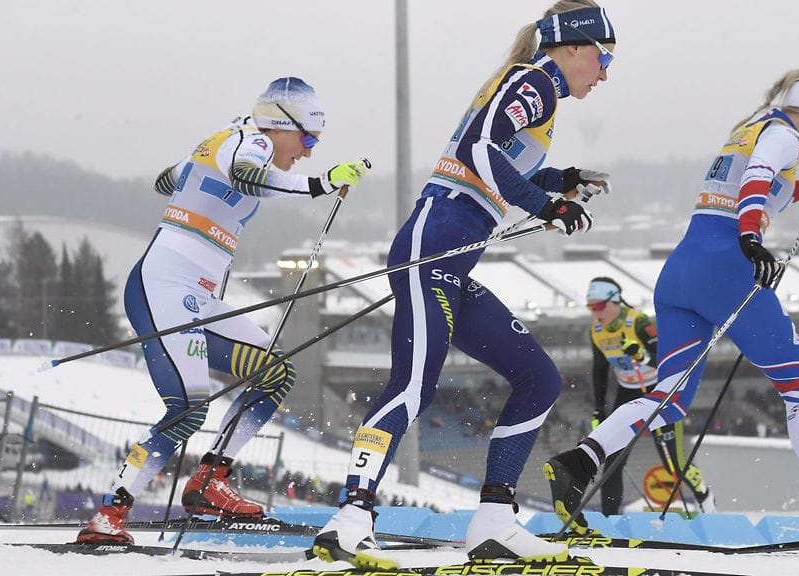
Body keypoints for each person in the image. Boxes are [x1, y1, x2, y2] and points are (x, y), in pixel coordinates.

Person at [313, 1, 614, 568]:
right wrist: (543, 203)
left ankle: (494, 522)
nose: (604, 74)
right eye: (604, 59)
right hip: (434, 244)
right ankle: (350, 519)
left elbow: (500, 162)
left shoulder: (537, 89)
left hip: (451, 257)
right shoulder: (536, 81)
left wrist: (560, 181)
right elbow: (480, 149)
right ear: (573, 46)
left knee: (539, 378)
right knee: (412, 387)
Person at [545, 70, 799, 535]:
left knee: (667, 398)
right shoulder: (785, 135)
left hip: (681, 273)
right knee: (797, 386)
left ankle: (578, 462)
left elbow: (764, 187)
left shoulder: (749, 130)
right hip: (727, 268)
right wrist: (750, 235)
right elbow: (758, 180)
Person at [76, 77, 368, 544]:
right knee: (187, 410)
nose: (309, 151)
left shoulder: (233, 140)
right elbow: (250, 175)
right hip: (166, 289)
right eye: (307, 139)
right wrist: (322, 182)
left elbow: (164, 181)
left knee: (275, 372)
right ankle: (110, 513)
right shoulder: (249, 142)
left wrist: (195, 165)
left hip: (197, 294)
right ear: (279, 125)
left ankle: (210, 480)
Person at [547, 277, 714, 523]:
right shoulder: (597, 331)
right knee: (612, 462)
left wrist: (643, 356)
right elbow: (599, 370)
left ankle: (705, 497)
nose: (595, 313)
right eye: (590, 307)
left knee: (674, 464)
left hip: (656, 390)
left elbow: (666, 362)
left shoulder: (638, 322)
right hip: (628, 392)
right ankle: (609, 520)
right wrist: (598, 411)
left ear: (615, 301)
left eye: (599, 306)